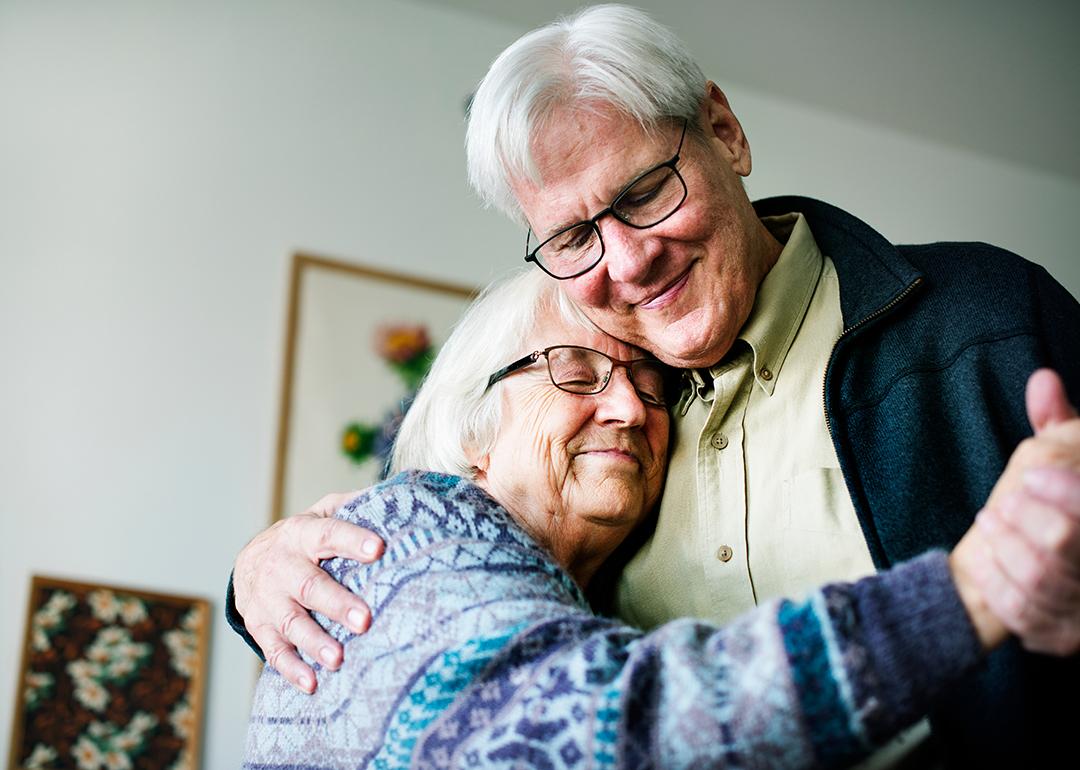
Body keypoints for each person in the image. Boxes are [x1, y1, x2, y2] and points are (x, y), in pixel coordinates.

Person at [232, 5, 1080, 765]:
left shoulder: (987, 318)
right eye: (571, 237)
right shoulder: (529, 483)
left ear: (726, 132)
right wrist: (254, 576)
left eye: (645, 192)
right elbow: (446, 604)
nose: (629, 261)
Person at [244, 268, 1056, 769]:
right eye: (576, 370)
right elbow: (604, 732)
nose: (631, 407)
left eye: (649, 382)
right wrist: (972, 590)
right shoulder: (413, 528)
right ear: (473, 428)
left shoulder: (581, 599)